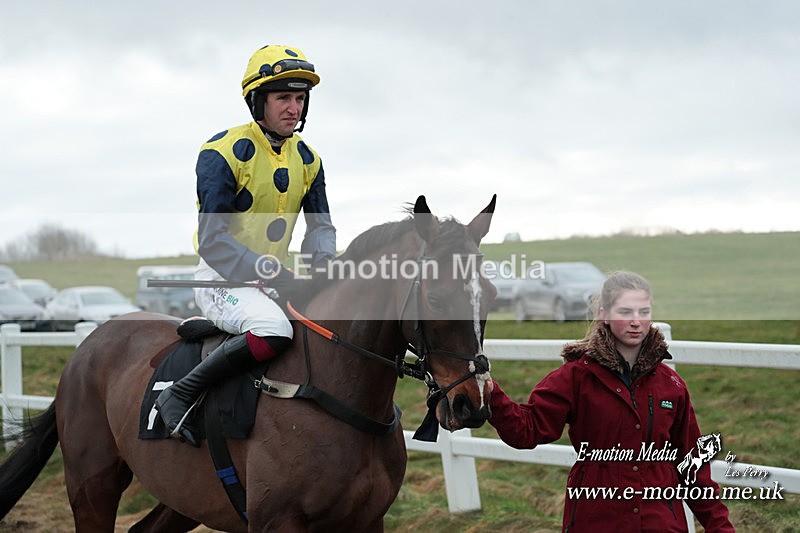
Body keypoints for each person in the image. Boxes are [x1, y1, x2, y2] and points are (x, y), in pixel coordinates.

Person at [155, 44, 336, 446]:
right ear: (258, 101)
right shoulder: (220, 152)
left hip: (274, 281)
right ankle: (180, 392)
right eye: (283, 98)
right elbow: (214, 242)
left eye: (300, 98)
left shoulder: (309, 159)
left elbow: (320, 227)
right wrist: (274, 273)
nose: (294, 108)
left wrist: (325, 267)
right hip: (222, 279)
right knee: (274, 329)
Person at [488, 271, 734, 532]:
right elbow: (527, 430)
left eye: (644, 311)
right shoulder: (576, 378)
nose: (636, 322)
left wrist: (720, 527)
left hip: (660, 521)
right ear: (604, 314)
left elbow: (692, 465)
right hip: (597, 518)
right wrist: (491, 393)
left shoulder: (671, 385)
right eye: (625, 312)